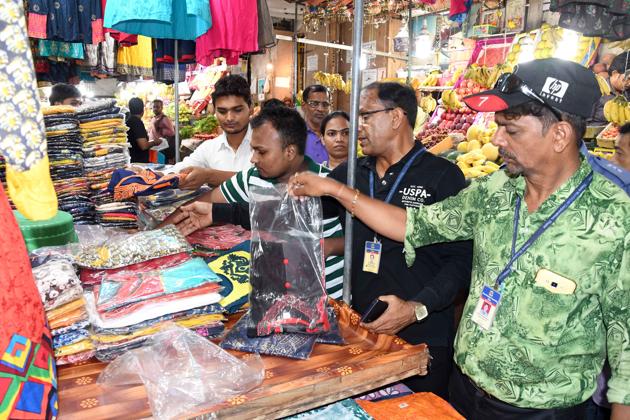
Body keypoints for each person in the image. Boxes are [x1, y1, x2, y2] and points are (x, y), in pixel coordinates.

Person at [288, 58, 630, 419]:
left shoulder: (614, 220)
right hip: (465, 390)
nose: (497, 140)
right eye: (497, 127)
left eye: (511, 130)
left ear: (559, 135)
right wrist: (337, 190)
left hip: (543, 410)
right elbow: (414, 224)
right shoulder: (498, 190)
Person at [315, 82, 472, 398]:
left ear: (398, 117)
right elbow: (300, 208)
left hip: (422, 336)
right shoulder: (352, 173)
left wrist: (417, 307)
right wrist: (215, 212)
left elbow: (461, 263)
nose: (357, 127)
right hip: (364, 330)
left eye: (366, 116)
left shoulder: (442, 175)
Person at [171, 106, 345, 299]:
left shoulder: (329, 185)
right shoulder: (253, 178)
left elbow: (358, 241)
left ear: (289, 152)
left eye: (261, 152)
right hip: (272, 300)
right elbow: (193, 208)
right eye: (253, 150)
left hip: (327, 301)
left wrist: (327, 245)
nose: (253, 159)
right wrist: (152, 238)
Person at [170, 74, 254, 189]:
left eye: (237, 110)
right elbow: (180, 169)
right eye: (222, 111)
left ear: (251, 108)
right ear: (215, 110)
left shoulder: (267, 145)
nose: (229, 118)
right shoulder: (209, 148)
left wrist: (209, 176)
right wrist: (154, 176)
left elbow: (264, 183)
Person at [302, 84, 331, 164]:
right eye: (314, 104)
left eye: (325, 105)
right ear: (303, 106)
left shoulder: (336, 136)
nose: (320, 109)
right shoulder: (295, 134)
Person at [126, 97, 158, 163]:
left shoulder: (129, 121)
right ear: (142, 110)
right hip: (139, 162)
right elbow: (143, 145)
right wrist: (155, 142)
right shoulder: (136, 122)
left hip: (133, 159)